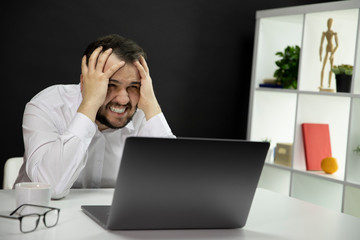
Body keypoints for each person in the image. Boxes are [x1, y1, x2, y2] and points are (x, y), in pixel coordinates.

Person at [15, 34, 175, 199]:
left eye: (134, 86)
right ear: (85, 83)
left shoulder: (142, 112)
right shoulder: (47, 106)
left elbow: (174, 187)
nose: (123, 99)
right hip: (44, 218)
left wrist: (152, 106)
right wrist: (90, 104)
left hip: (113, 218)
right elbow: (51, 188)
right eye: (111, 84)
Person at [319, 18, 338, 90]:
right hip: (327, 48)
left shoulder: (334, 33)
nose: (329, 25)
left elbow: (337, 45)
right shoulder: (324, 33)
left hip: (331, 48)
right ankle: (321, 84)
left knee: (331, 67)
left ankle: (329, 84)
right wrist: (320, 55)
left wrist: (333, 54)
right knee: (323, 66)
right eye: (328, 23)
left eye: (330, 23)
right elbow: (321, 44)